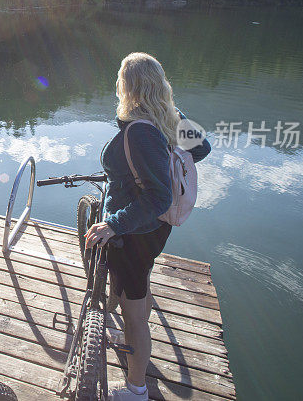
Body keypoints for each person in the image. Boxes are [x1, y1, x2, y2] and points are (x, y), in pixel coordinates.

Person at [85, 52, 211, 401]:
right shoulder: (167, 116)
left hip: (133, 233)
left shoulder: (140, 130)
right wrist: (169, 133)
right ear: (159, 83)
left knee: (134, 316)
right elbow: (203, 148)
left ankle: (136, 389)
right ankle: (137, 303)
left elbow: (157, 197)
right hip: (155, 230)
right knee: (139, 286)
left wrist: (112, 224)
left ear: (126, 85)